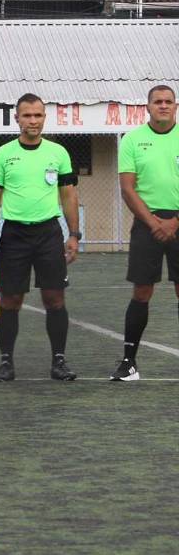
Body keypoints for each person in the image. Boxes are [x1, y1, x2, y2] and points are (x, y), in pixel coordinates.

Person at [0, 93, 80, 382]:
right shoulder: (3, 154)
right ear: (17, 118)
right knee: (10, 299)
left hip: (49, 233)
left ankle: (59, 362)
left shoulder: (58, 153)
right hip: (13, 234)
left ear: (44, 118)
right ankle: (6, 362)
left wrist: (73, 235)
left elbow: (69, 195)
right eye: (27, 115)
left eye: (37, 115)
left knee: (55, 298)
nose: (32, 121)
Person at [110, 85, 179, 381]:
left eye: (168, 102)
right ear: (147, 107)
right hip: (146, 223)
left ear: (175, 107)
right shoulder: (133, 140)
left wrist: (175, 221)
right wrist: (153, 222)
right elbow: (127, 187)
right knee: (142, 291)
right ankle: (129, 363)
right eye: (157, 102)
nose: (163, 106)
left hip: (178, 222)